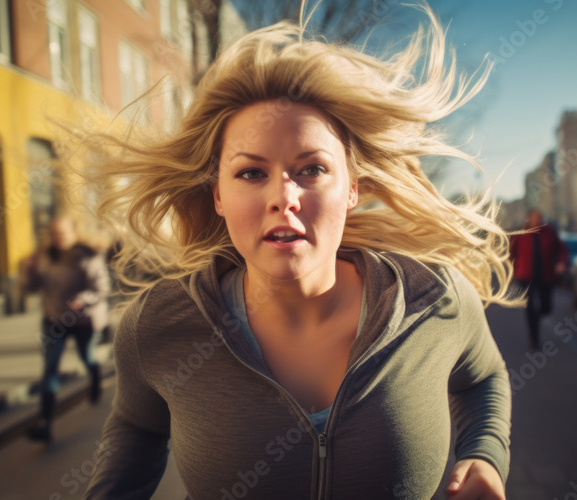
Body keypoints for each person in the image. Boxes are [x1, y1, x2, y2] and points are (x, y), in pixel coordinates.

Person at [80, 6, 517, 499]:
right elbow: (137, 428)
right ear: (218, 194)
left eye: (311, 169)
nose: (282, 196)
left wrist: (484, 454)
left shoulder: (434, 299)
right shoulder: (159, 325)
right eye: (251, 172)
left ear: (352, 188)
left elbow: (484, 377)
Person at [21, 214, 111, 442]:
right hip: (53, 320)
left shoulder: (86, 256)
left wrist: (82, 299)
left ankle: (95, 378)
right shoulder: (46, 257)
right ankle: (45, 424)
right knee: (50, 369)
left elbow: (101, 287)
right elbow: (31, 287)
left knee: (87, 357)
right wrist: (28, 271)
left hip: (82, 320)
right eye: (54, 234)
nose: (58, 238)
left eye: (62, 233)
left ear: (73, 233)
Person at [509, 209, 568, 351]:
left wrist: (561, 263)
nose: (537, 220)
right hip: (526, 276)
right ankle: (533, 339)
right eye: (535, 218)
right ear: (529, 219)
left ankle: (538, 314)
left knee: (546, 307)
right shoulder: (521, 234)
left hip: (545, 276)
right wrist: (513, 268)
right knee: (530, 308)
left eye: (539, 217)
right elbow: (512, 253)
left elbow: (561, 250)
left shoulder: (549, 232)